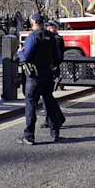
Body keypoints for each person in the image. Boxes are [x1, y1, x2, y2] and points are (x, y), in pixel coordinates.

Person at [17, 13, 64, 145]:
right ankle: (55, 133)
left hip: (34, 76)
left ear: (32, 24)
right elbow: (58, 56)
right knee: (49, 103)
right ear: (43, 23)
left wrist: (19, 51)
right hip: (48, 74)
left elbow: (25, 56)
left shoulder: (33, 36)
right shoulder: (51, 37)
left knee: (31, 105)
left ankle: (29, 136)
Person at [40, 20, 67, 129]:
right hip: (48, 69)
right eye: (48, 27)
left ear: (56, 28)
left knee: (47, 96)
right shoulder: (50, 39)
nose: (49, 29)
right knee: (47, 96)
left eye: (52, 27)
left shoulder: (57, 39)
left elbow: (55, 56)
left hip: (52, 70)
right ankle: (56, 117)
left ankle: (52, 119)